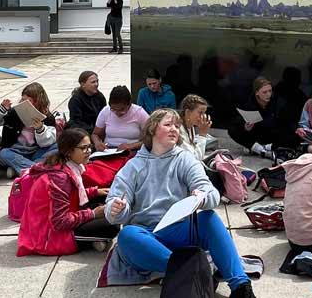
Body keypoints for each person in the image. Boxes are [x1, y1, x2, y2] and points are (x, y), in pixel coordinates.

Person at [104, 109, 258, 298]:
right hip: (147, 235)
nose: (174, 130)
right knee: (127, 235)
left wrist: (202, 197)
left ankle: (241, 286)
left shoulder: (185, 159)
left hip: (178, 230)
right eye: (168, 125)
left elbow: (211, 193)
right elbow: (113, 211)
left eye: (177, 126)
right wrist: (117, 208)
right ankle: (193, 271)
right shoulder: (133, 166)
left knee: (209, 218)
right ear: (152, 129)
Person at [17, 128, 119, 256]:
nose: (89, 151)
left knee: (106, 204)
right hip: (47, 236)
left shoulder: (67, 166)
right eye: (83, 148)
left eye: (89, 147)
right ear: (69, 151)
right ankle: (91, 240)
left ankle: (94, 240)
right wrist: (93, 214)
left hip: (60, 218)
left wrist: (94, 192)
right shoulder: (60, 178)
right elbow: (59, 222)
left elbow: (72, 194)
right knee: (111, 225)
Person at [0, 82, 58, 177]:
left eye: (29, 101)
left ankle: (19, 169)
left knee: (57, 147)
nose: (25, 103)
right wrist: (1, 110)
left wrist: (40, 129)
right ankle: (37, 170)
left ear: (38, 101)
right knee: (3, 154)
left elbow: (47, 143)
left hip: (35, 153)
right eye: (23, 100)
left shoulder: (48, 117)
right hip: (14, 151)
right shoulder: (14, 113)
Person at [228, 77, 300, 159]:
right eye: (264, 92)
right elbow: (238, 121)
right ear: (257, 93)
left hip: (274, 136)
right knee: (232, 129)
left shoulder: (278, 101)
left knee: (295, 135)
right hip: (256, 134)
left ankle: (266, 149)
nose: (268, 94)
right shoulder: (249, 102)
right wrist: (245, 127)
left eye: (270, 91)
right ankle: (259, 149)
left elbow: (287, 121)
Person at [92, 85, 148, 151]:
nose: (117, 113)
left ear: (129, 105)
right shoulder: (106, 111)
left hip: (132, 150)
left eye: (122, 110)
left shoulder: (139, 113)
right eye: (113, 109)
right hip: (109, 150)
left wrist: (131, 146)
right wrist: (97, 143)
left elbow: (151, 138)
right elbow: (95, 134)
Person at [179, 94, 215, 161]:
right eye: (200, 112)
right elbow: (194, 160)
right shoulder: (178, 130)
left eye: (204, 113)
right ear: (188, 112)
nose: (203, 116)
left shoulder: (190, 125)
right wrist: (202, 134)